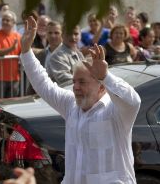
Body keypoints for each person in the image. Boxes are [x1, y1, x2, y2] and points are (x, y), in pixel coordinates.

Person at [20, 16, 141, 184]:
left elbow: (133, 102)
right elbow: (44, 85)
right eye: (74, 82)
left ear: (101, 87)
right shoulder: (71, 105)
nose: (75, 87)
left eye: (82, 82)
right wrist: (26, 51)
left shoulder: (115, 112)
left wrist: (106, 76)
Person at [0, 10, 21, 99]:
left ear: (13, 23)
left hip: (14, 78)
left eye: (7, 20)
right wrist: (11, 49)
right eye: (3, 20)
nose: (4, 22)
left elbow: (23, 52)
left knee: (11, 106)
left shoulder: (17, 36)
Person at [27, 21, 63, 95]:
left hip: (61, 97)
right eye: (50, 33)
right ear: (46, 34)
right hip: (41, 97)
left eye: (56, 33)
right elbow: (35, 78)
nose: (53, 36)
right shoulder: (40, 55)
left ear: (62, 34)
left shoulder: (69, 55)